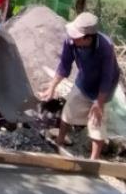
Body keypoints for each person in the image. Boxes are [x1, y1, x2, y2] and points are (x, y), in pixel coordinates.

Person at [40, 12, 120, 160]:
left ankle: (93, 160)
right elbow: (64, 66)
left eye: (76, 36)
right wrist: (52, 87)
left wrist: (99, 103)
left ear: (88, 38)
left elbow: (107, 78)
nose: (72, 37)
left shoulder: (105, 47)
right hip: (84, 80)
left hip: (105, 87)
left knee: (97, 121)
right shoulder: (70, 42)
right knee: (69, 111)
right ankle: (60, 141)